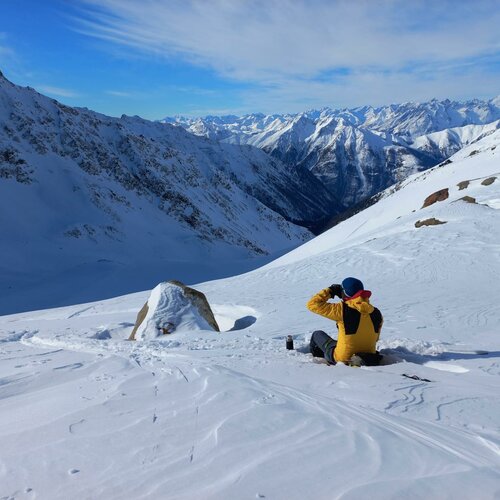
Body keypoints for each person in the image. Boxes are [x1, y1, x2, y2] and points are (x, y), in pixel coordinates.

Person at [306, 277, 383, 365]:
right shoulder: (376, 313)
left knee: (317, 334)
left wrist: (330, 291)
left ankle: (318, 359)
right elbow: (375, 338)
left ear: (344, 292)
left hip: (342, 358)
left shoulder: (341, 309)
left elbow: (312, 304)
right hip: (369, 355)